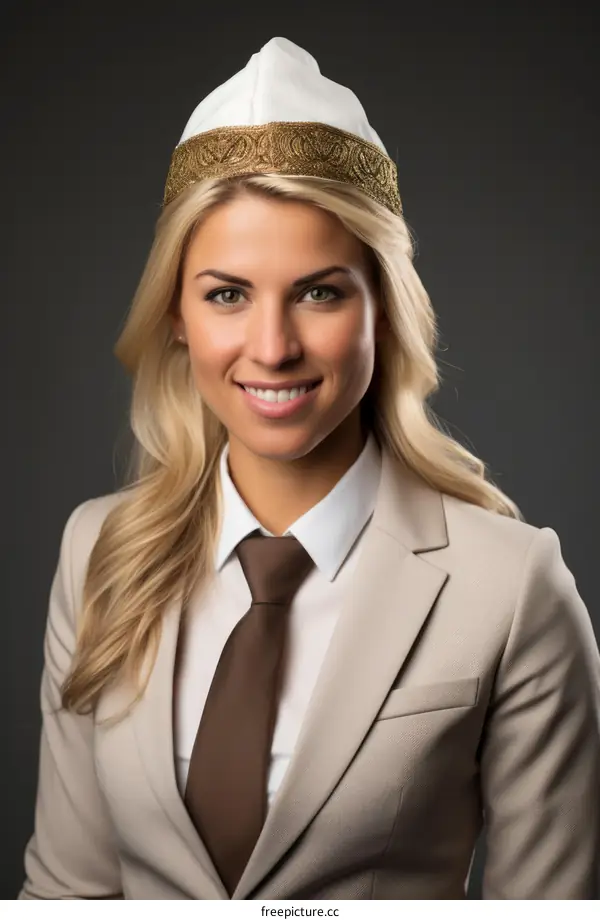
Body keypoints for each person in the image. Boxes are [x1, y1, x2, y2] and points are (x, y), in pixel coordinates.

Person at [18, 37, 600, 901]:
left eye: (320, 291)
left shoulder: (512, 589)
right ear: (177, 314)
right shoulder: (98, 552)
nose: (273, 347)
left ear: (385, 310)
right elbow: (66, 898)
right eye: (227, 293)